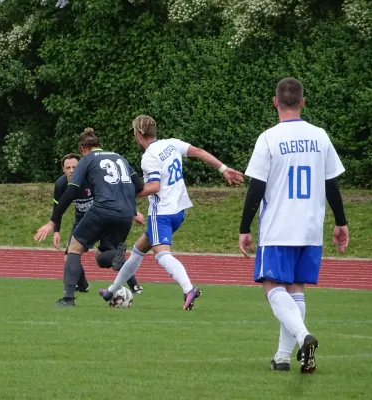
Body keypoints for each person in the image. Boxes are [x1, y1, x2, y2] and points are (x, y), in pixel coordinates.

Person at [238, 77, 349, 373]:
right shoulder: (320, 136)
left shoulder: (268, 138)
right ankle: (283, 358)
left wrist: (244, 227)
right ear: (303, 102)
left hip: (279, 226)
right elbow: (331, 184)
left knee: (272, 286)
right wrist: (341, 222)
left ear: (275, 102)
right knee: (296, 287)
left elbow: (257, 187)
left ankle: (303, 337)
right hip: (311, 227)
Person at [99, 115, 244, 310]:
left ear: (138, 134)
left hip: (162, 213)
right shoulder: (172, 144)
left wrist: (126, 194)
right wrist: (223, 169)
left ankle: (188, 288)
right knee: (138, 250)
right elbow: (199, 152)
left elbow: (154, 186)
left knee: (161, 254)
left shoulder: (149, 156)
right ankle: (111, 290)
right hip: (178, 210)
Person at [35, 128, 145, 306]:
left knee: (74, 248)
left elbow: (71, 192)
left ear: (82, 148)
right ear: (99, 144)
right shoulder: (120, 157)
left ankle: (68, 299)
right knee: (102, 257)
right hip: (125, 214)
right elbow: (139, 186)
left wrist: (52, 221)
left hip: (102, 210)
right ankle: (117, 257)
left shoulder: (87, 160)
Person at [52, 152, 143, 294]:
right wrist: (56, 230)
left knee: (95, 255)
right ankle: (82, 285)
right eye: (68, 167)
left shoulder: (91, 179)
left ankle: (134, 284)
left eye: (75, 167)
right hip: (81, 220)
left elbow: (114, 194)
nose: (71, 170)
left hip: (100, 218)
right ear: (63, 170)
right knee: (69, 257)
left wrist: (134, 212)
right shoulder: (61, 184)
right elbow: (58, 208)